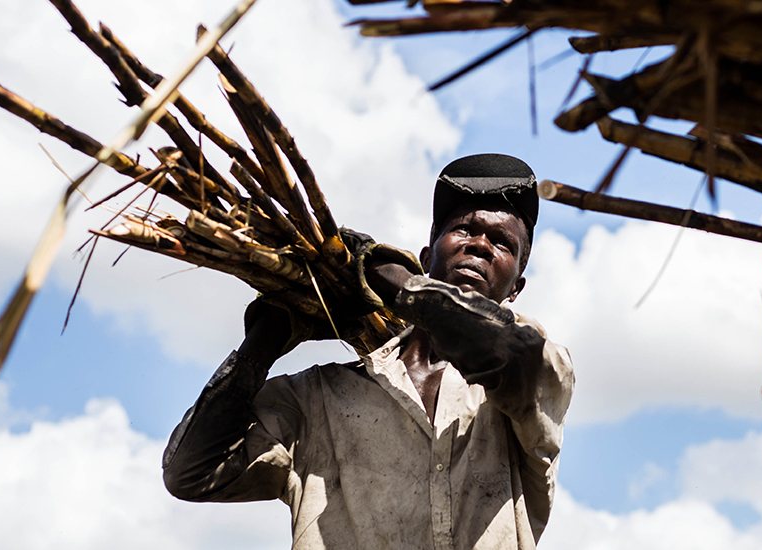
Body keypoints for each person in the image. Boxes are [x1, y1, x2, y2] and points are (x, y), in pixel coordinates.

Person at [161, 153, 575, 550]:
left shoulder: (537, 374)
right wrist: (268, 336)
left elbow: (496, 345)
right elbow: (191, 474)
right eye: (464, 230)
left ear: (516, 289)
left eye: (502, 242)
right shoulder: (320, 397)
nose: (480, 245)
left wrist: (380, 272)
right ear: (428, 257)